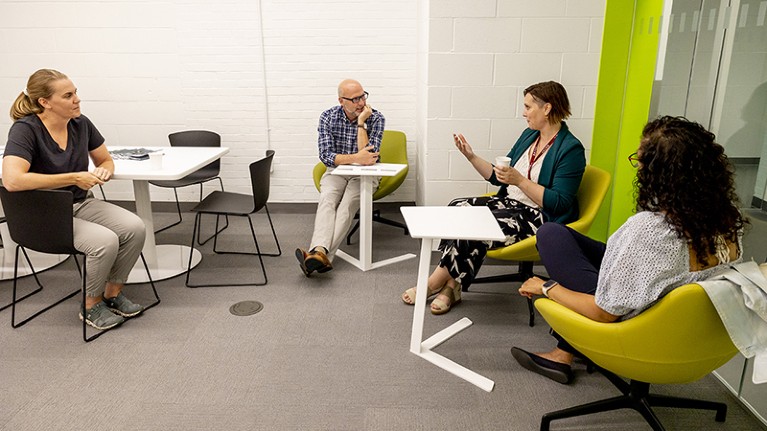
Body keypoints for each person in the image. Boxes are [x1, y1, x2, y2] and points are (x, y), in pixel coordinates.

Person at [511, 116, 746, 384]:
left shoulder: (649, 229)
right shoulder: (728, 219)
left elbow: (603, 312)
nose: (638, 167)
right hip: (674, 317)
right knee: (554, 233)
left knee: (549, 236)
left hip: (632, 324)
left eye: (641, 160)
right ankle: (567, 351)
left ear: (661, 173)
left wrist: (545, 287)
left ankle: (563, 353)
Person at [401, 81, 586, 315]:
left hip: (539, 216)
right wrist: (471, 156)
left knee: (477, 226)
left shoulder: (570, 149)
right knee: (458, 207)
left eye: (529, 107)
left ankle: (436, 282)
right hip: (510, 204)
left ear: (547, 109)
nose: (524, 112)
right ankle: (452, 285)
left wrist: (519, 180)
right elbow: (498, 178)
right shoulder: (529, 136)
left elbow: (559, 203)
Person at [4, 68, 147, 331]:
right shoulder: (26, 130)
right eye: (68, 95)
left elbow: (105, 159)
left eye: (76, 92)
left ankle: (112, 295)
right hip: (44, 214)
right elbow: (12, 180)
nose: (77, 99)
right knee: (104, 241)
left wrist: (105, 169)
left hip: (80, 203)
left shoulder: (81, 124)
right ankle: (91, 306)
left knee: (135, 228)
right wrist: (73, 177)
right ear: (44, 102)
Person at [295, 79, 385, 276]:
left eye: (363, 96)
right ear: (341, 101)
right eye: (355, 99)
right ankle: (320, 255)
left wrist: (362, 123)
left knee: (346, 207)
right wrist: (355, 158)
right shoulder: (328, 117)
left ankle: (317, 253)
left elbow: (368, 156)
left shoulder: (376, 118)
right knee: (327, 200)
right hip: (337, 172)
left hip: (365, 175)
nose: (361, 102)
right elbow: (326, 155)